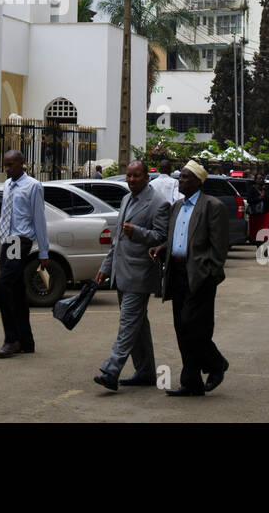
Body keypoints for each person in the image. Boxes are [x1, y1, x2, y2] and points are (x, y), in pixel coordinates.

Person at [149, 161, 229, 396]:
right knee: (181, 328)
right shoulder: (177, 207)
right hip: (177, 274)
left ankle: (216, 364)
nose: (180, 181)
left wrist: (211, 274)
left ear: (197, 181)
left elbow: (219, 247)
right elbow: (178, 238)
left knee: (193, 327)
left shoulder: (212, 206)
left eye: (184, 177)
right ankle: (191, 382)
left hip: (200, 276)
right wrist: (162, 248)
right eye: (180, 177)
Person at [93, 160, 170, 391]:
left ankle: (111, 370)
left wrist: (138, 232)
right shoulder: (126, 199)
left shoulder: (158, 203)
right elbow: (117, 241)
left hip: (140, 274)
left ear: (147, 177)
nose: (131, 180)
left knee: (127, 324)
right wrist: (106, 268)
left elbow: (161, 237)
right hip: (121, 272)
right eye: (128, 176)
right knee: (137, 324)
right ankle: (146, 371)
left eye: (136, 176)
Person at [0, 149, 49, 358]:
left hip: (20, 240)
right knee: (16, 291)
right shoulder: (7, 185)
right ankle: (26, 341)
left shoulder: (32, 186)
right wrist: (2, 237)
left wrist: (43, 251)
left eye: (10, 165)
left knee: (2, 286)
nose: (7, 169)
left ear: (21, 164)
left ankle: (12, 340)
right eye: (5, 165)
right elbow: (4, 213)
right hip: (8, 241)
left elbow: (39, 220)